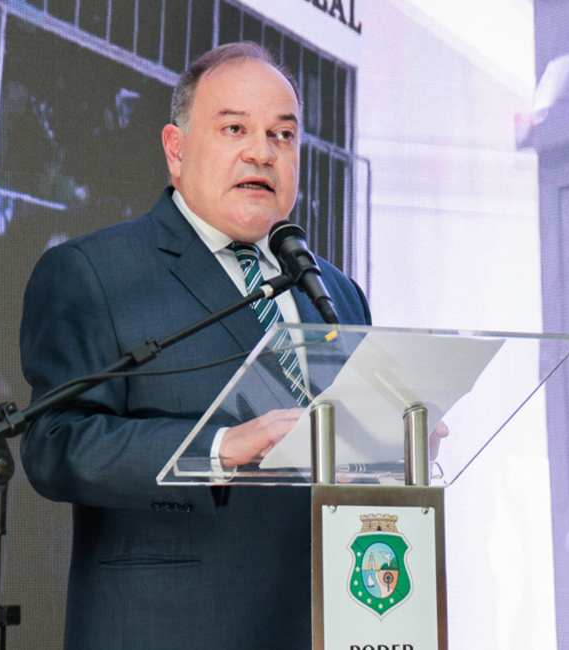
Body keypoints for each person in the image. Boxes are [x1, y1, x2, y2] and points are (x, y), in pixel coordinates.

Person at [18, 42, 370, 649]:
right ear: (176, 149)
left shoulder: (336, 291)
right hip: (170, 628)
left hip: (323, 625)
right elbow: (55, 445)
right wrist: (218, 448)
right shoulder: (95, 272)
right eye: (235, 128)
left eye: (283, 135)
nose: (262, 152)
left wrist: (393, 443)